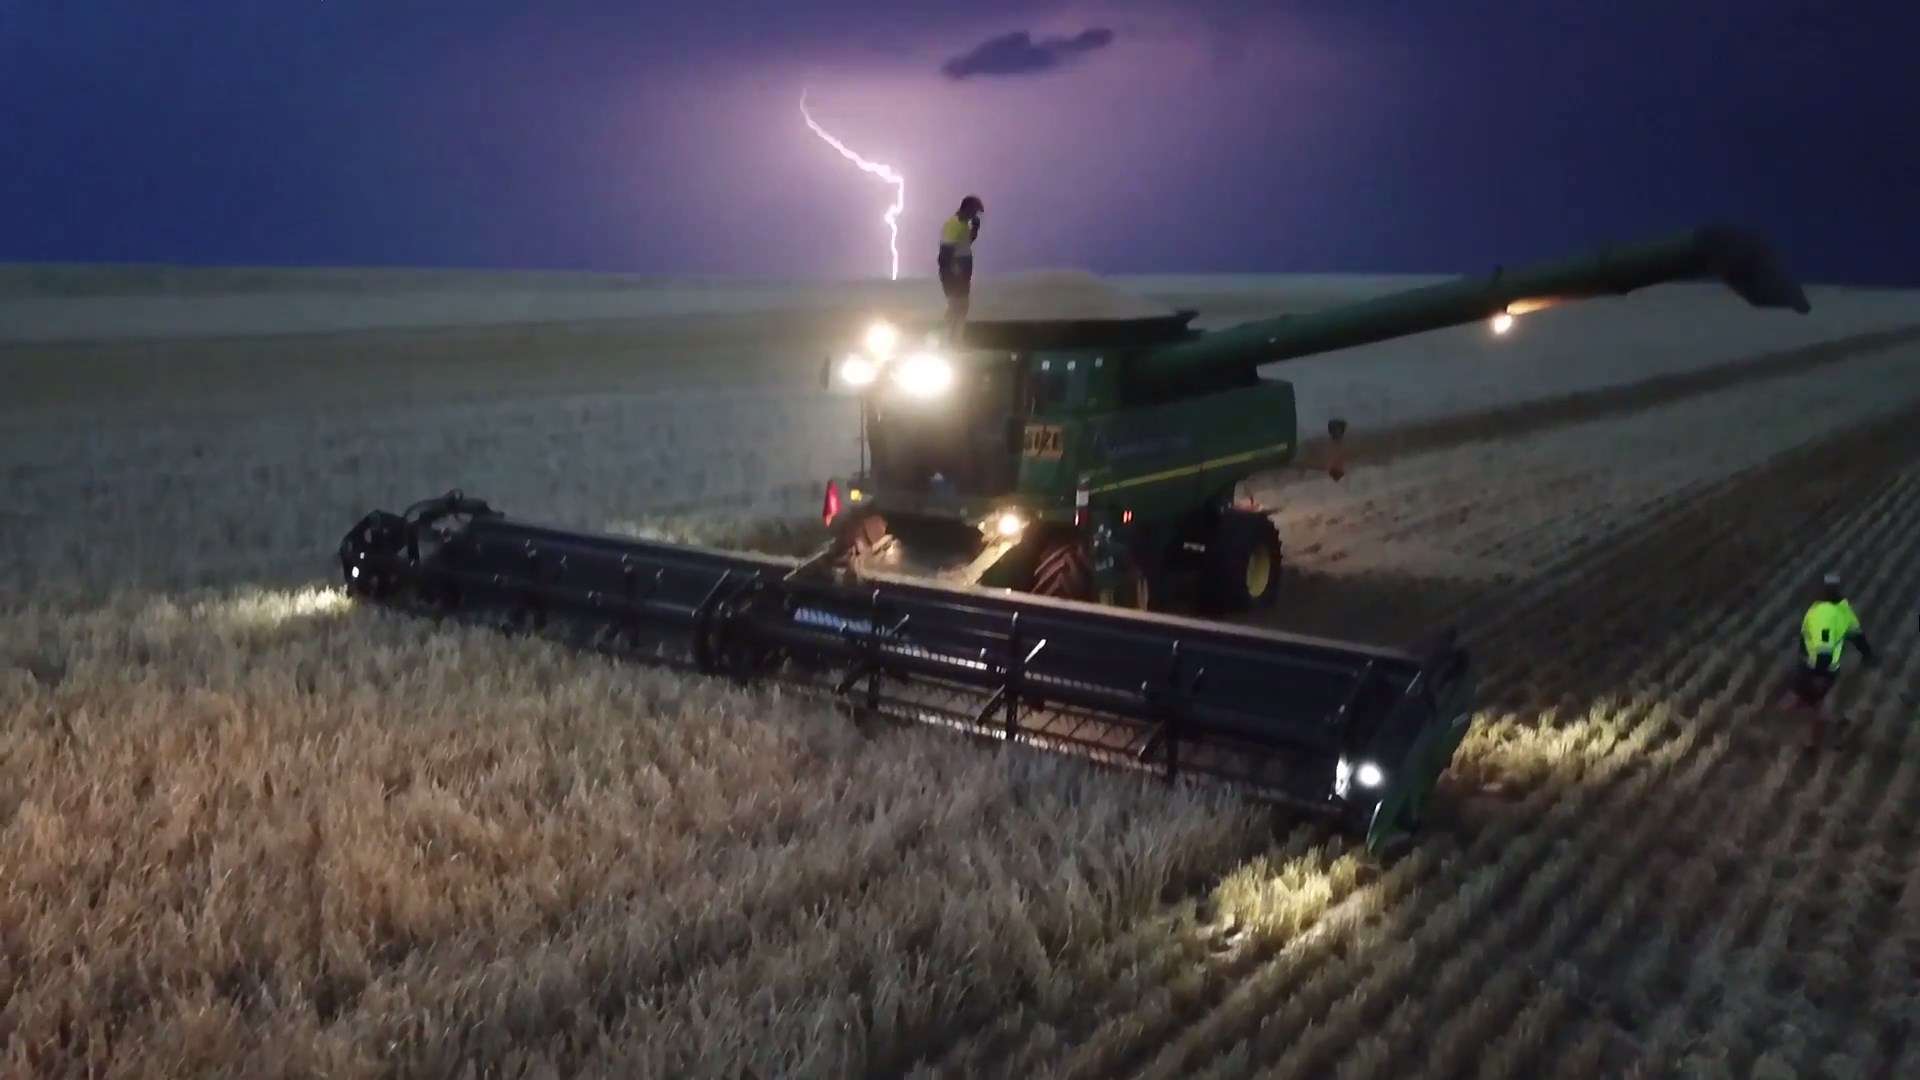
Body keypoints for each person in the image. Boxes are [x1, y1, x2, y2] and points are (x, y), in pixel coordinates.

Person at [1770, 572, 1877, 748]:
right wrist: (1868, 656)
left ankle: (1784, 731)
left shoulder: (1820, 613)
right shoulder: (1844, 609)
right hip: (1830, 669)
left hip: (1814, 667)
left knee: (1799, 701)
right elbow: (1858, 637)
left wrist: (1817, 673)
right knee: (1815, 703)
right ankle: (1823, 734)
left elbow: (1822, 647)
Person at [938, 195, 983, 341]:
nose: (974, 215)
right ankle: (948, 340)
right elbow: (945, 254)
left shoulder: (963, 225)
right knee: (956, 306)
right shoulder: (953, 225)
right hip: (954, 275)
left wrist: (975, 228)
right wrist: (953, 273)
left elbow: (966, 243)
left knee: (961, 307)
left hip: (962, 275)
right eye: (974, 211)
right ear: (967, 208)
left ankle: (955, 340)